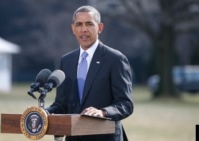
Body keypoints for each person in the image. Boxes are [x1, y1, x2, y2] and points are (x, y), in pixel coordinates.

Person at [46, 5, 134, 141]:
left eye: (89, 24)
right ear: (73, 29)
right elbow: (61, 104)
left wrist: (103, 112)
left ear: (100, 28)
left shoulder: (115, 59)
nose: (84, 29)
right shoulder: (66, 61)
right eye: (79, 24)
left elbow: (125, 104)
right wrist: (44, 113)